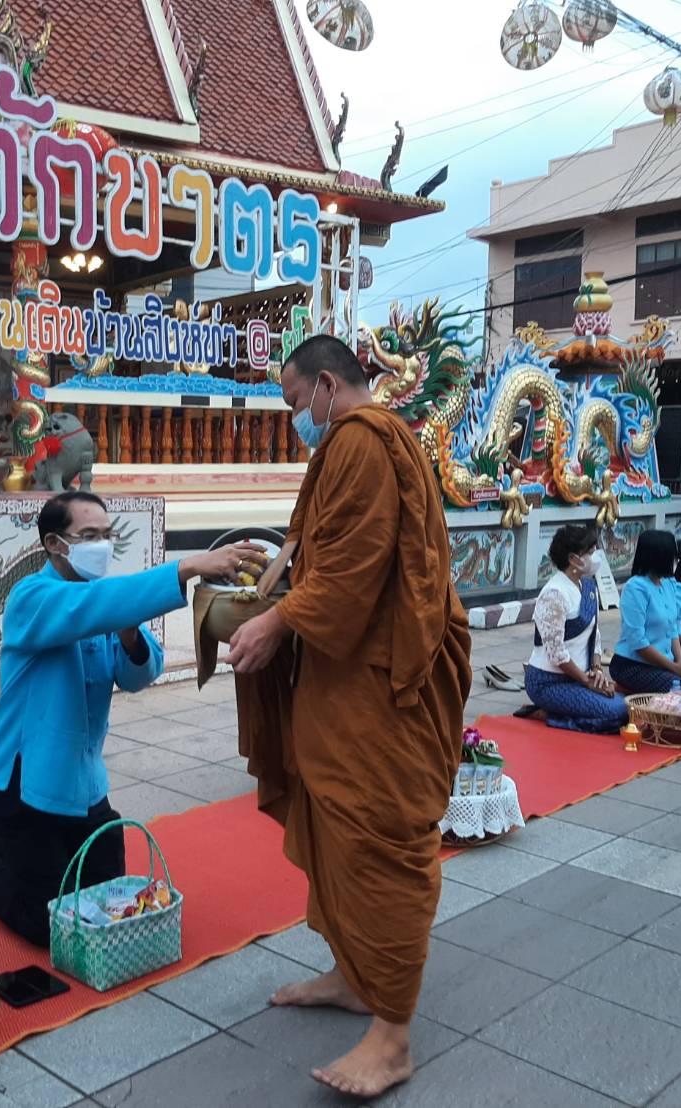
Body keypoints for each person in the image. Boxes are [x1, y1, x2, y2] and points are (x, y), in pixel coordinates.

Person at [225, 335, 471, 1099]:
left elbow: (354, 565)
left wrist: (275, 621)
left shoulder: (364, 440)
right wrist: (266, 586)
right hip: (344, 675)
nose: (298, 418)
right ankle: (350, 976)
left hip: (381, 683)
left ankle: (392, 1036)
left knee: (377, 837)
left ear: (327, 384)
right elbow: (314, 550)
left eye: (297, 404)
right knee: (336, 828)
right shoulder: (350, 443)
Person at [0, 491, 262, 947]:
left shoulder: (104, 599)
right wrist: (188, 567)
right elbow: (86, 611)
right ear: (55, 544)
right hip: (23, 781)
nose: (102, 545)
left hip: (83, 781)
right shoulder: (31, 597)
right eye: (89, 535)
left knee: (104, 901)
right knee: (48, 925)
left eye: (107, 535)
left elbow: (138, 673)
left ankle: (6, 845)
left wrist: (130, 630)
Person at [522, 524, 629, 732]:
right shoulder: (554, 593)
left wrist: (597, 670)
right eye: (589, 552)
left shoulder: (588, 587)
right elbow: (556, 654)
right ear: (573, 559)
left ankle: (561, 711)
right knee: (616, 711)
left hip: (580, 677)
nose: (594, 556)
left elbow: (594, 636)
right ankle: (553, 715)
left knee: (627, 705)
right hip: (549, 682)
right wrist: (586, 681)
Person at [610, 529, 681, 693]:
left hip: (664, 663)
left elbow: (673, 629)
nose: (677, 561)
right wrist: (675, 668)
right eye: (674, 557)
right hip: (633, 665)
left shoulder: (667, 584)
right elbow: (637, 642)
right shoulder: (635, 588)